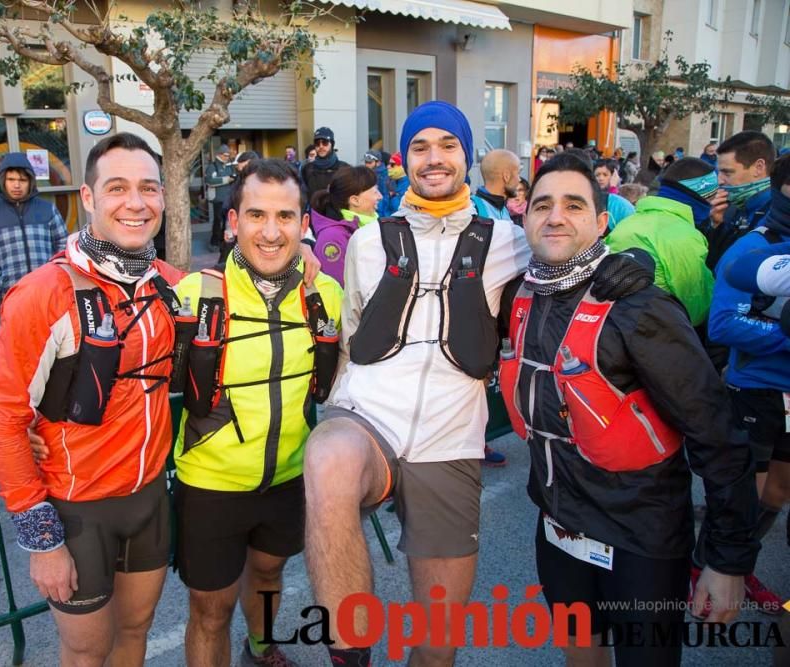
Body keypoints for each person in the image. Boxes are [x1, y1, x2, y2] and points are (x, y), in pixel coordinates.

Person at [501, 152, 759, 666]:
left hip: (641, 537)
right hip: (559, 526)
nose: (555, 216)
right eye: (542, 205)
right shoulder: (518, 295)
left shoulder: (639, 306)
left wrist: (727, 561)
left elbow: (716, 431)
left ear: (602, 222)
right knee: (581, 651)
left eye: (574, 205)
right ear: (524, 217)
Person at [302, 101, 532, 667]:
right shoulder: (368, 242)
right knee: (327, 460)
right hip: (368, 419)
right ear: (404, 160)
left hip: (450, 440)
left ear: (467, 156)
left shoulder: (508, 241)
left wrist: (622, 265)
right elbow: (353, 335)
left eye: (447, 145)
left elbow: (571, 257)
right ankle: (349, 656)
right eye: (421, 147)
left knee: (438, 640)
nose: (434, 158)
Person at [0, 133, 183, 665]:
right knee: (88, 649)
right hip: (76, 510)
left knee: (135, 632)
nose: (136, 203)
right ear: (88, 199)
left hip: (149, 499)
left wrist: (306, 256)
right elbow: (2, 422)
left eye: (148, 188)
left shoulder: (169, 284)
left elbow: (246, 287)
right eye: (117, 188)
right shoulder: (43, 293)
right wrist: (42, 540)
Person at [171, 158, 342, 667]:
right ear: (233, 222)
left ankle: (262, 648)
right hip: (210, 485)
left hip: (288, 478)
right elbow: (138, 384)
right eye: (256, 215)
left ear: (304, 225)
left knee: (268, 575)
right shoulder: (193, 296)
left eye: (286, 217)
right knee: (210, 611)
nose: (271, 232)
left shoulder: (324, 295)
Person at [707, 151, 790, 613]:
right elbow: (723, 325)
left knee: (779, 492)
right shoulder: (753, 248)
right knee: (745, 497)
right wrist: (784, 338)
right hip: (755, 390)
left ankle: (740, 565)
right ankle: (719, 567)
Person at [606, 157, 717, 326]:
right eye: (714, 196)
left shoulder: (627, 222)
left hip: (613, 326)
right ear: (703, 197)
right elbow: (696, 309)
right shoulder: (685, 236)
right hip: (657, 330)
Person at [0, 152, 68, 301]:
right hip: (12, 294)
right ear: (3, 180)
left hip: (48, 292)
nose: (16, 185)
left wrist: (56, 273)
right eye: (11, 179)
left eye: (22, 180)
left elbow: (64, 244)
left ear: (30, 181)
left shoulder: (47, 209)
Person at [703, 131, 775, 269]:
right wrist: (717, 226)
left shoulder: (779, 214)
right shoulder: (732, 207)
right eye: (719, 172)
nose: (720, 180)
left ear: (758, 167)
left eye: (727, 172)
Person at [310, 166, 381, 285]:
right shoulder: (332, 237)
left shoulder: (366, 226)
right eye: (375, 192)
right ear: (355, 200)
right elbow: (340, 288)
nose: (380, 196)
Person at [217, 151, 259, 264]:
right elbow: (229, 206)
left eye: (245, 168)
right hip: (236, 233)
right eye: (240, 170)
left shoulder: (264, 184)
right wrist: (229, 229)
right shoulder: (239, 183)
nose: (243, 173)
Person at [472, 148, 520, 222]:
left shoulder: (503, 208)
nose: (519, 180)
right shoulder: (472, 210)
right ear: (506, 176)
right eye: (518, 173)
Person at [300, 127, 349, 199]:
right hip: (314, 209)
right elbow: (303, 195)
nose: (321, 146)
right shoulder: (307, 168)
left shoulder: (344, 169)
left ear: (332, 144)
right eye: (317, 143)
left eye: (325, 142)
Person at [206, 144, 236, 249]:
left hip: (227, 199)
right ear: (219, 155)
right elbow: (209, 181)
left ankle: (223, 241)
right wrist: (226, 179)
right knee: (218, 221)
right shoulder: (212, 166)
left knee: (227, 221)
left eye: (228, 155)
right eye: (225, 155)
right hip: (218, 199)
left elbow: (234, 178)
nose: (227, 157)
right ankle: (214, 242)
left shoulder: (229, 166)